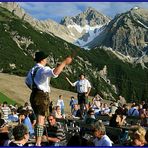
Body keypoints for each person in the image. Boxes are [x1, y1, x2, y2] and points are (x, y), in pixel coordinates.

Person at [26, 51, 72, 146]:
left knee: (38, 118)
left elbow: (27, 82)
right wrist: (64, 63)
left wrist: (35, 88)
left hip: (33, 94)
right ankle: (38, 143)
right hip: (42, 96)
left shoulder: (32, 70)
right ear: (43, 59)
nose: (46, 60)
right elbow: (55, 73)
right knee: (40, 120)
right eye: (46, 58)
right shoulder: (43, 69)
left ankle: (37, 140)